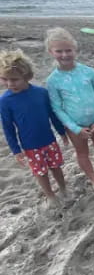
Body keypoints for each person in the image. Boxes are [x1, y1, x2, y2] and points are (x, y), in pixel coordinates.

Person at [45, 27, 94, 191]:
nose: (65, 55)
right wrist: (74, 128)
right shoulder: (53, 80)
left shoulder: (89, 72)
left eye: (68, 50)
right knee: (82, 153)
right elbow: (57, 108)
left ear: (75, 49)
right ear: (51, 52)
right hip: (75, 125)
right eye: (59, 51)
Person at [0, 49, 68, 208]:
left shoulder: (41, 93)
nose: (10, 84)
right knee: (40, 172)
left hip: (49, 140)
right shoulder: (5, 101)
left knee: (56, 167)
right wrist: (16, 150)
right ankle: (50, 195)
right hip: (30, 146)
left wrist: (62, 132)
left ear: (27, 76)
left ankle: (64, 188)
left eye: (15, 80)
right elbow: (8, 127)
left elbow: (53, 115)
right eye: (5, 79)